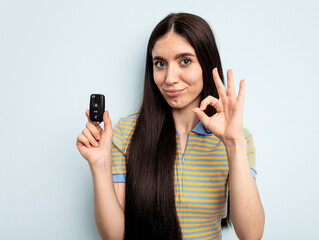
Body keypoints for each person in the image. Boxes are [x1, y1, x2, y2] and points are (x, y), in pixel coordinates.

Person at [77, 12, 265, 240]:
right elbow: (115, 236)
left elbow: (251, 235)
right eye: (160, 64)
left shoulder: (238, 138)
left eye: (185, 61)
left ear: (206, 64)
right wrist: (99, 165)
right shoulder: (125, 133)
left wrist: (233, 143)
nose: (169, 78)